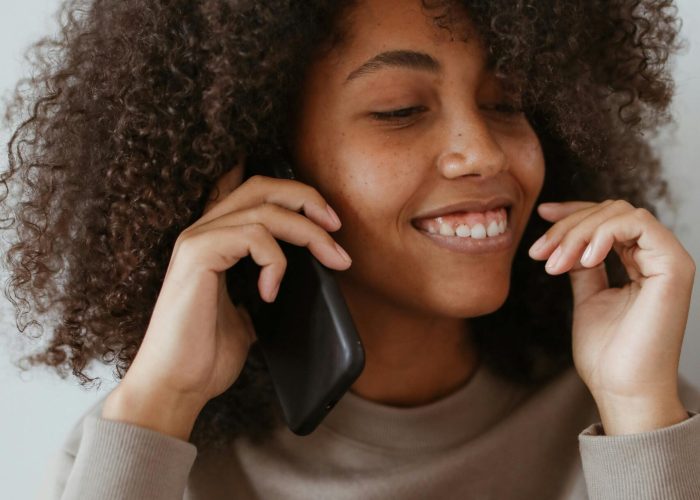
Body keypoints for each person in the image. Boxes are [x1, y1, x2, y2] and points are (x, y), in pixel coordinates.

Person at [2, 0, 699, 498]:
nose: (482, 152)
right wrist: (163, 401)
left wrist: (638, 413)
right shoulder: (144, 449)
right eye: (399, 109)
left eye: (505, 103)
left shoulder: (649, 422)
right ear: (269, 170)